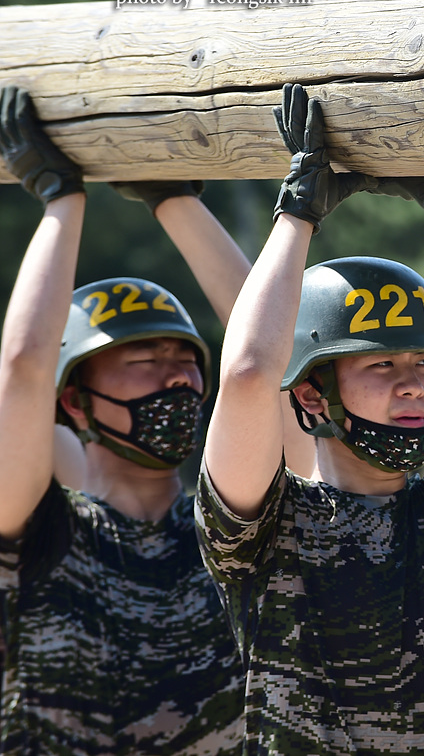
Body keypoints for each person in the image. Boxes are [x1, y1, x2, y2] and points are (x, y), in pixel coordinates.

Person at [194, 83, 424, 754]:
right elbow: (251, 370)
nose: (411, 385)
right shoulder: (265, 525)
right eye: (378, 366)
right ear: (312, 396)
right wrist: (297, 212)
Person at [0, 85, 261, 752]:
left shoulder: (236, 534)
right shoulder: (40, 537)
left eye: (185, 357)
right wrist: (62, 197)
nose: (175, 374)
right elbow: (25, 365)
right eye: (141, 358)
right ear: (73, 399)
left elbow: (267, 356)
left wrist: (176, 201)